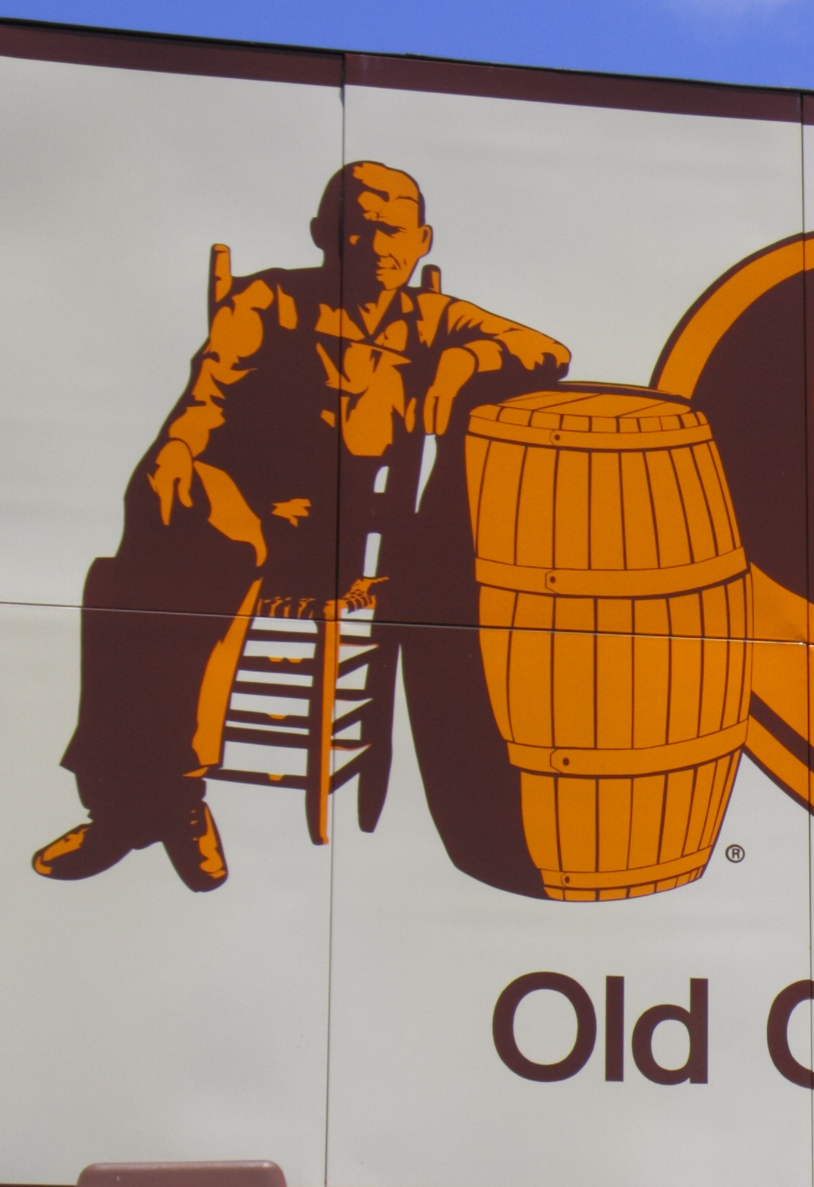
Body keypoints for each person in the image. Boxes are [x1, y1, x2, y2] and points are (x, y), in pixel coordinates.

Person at [35, 160, 568, 889]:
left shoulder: (433, 320)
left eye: (395, 232)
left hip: (324, 537)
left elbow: (549, 352)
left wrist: (459, 364)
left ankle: (139, 808)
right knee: (146, 554)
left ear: (422, 241)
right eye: (359, 228)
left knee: (161, 574)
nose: (377, 247)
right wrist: (174, 454)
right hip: (228, 502)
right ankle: (164, 803)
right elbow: (206, 397)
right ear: (323, 233)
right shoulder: (268, 299)